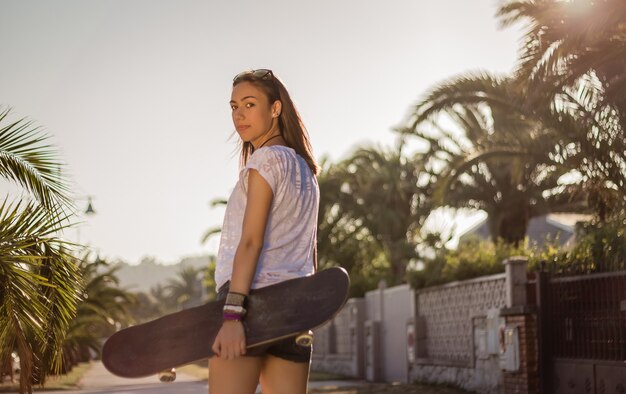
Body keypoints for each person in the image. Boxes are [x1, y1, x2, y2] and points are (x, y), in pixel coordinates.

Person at [209, 69, 320, 394]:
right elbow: (309, 251)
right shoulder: (306, 170)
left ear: (275, 108)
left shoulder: (265, 162)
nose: (239, 115)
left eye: (249, 104)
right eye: (233, 106)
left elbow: (251, 242)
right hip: (294, 312)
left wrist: (232, 317)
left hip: (251, 308)